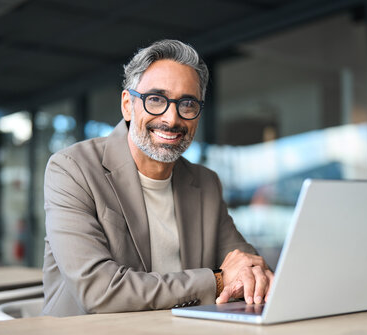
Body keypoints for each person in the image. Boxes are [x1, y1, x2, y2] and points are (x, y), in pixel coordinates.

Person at [43, 39, 273, 316]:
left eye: (187, 104)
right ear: (128, 105)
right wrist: (217, 280)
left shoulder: (205, 183)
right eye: (156, 99)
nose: (172, 118)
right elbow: (99, 291)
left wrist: (253, 277)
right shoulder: (72, 169)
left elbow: (246, 266)